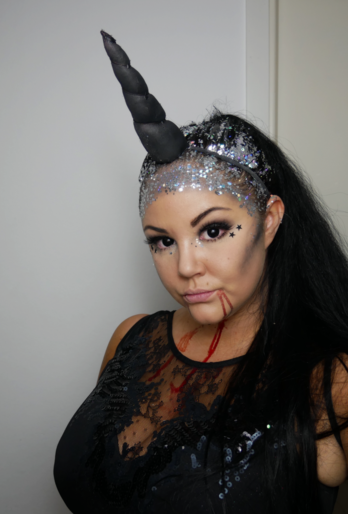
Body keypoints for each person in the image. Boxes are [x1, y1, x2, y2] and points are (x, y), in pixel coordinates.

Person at [54, 31, 348, 514]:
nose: (186, 268)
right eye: (163, 241)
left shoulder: (330, 381)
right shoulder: (130, 340)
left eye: (213, 231)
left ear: (270, 221)